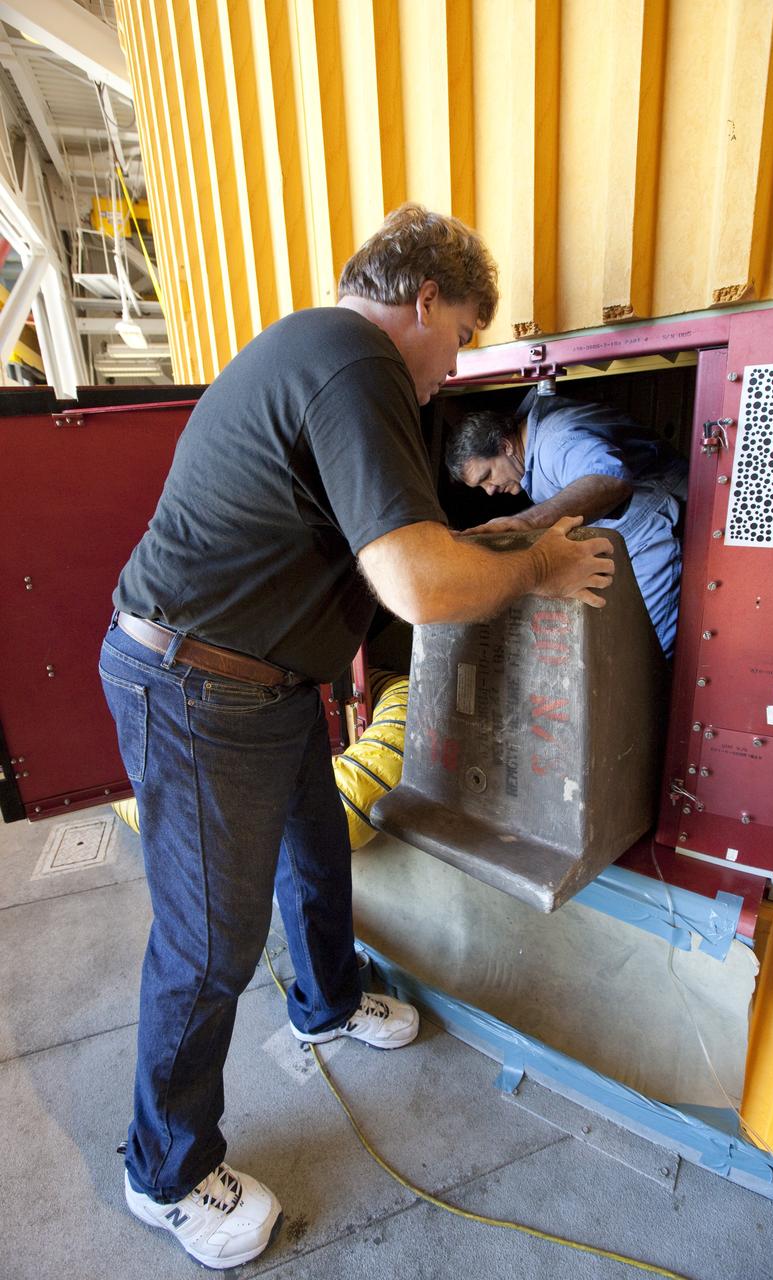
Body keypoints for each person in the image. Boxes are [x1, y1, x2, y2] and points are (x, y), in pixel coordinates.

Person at [99, 204, 616, 1270]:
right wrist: (538, 567)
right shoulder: (355, 361)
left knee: (316, 846)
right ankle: (163, 1169)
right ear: (423, 300)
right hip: (195, 685)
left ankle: (327, 1001)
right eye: (464, 332)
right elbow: (421, 584)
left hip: (262, 684)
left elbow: (410, 541)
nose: (454, 364)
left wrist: (507, 533)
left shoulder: (325, 359)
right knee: (207, 947)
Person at [445, 391, 688, 657]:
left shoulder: (555, 444)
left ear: (505, 446)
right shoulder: (532, 451)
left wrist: (526, 522)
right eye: (481, 486)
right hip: (632, 536)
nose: (489, 490)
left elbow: (609, 479)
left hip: (655, 526)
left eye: (487, 476)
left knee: (644, 656)